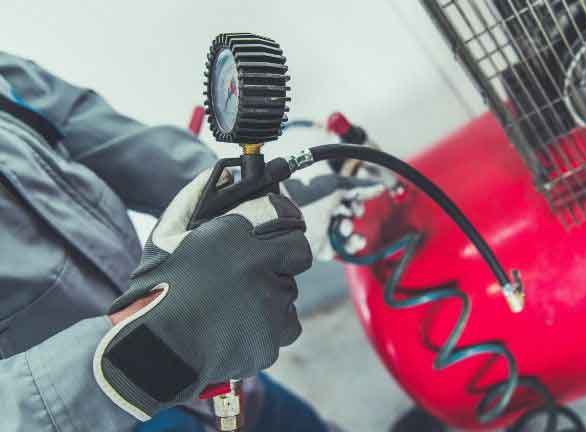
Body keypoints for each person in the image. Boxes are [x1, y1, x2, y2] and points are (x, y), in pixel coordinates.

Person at [0, 50, 382, 431]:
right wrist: (150, 342)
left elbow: (85, 124)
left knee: (282, 419)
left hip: (202, 320)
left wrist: (246, 200)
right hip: (102, 407)